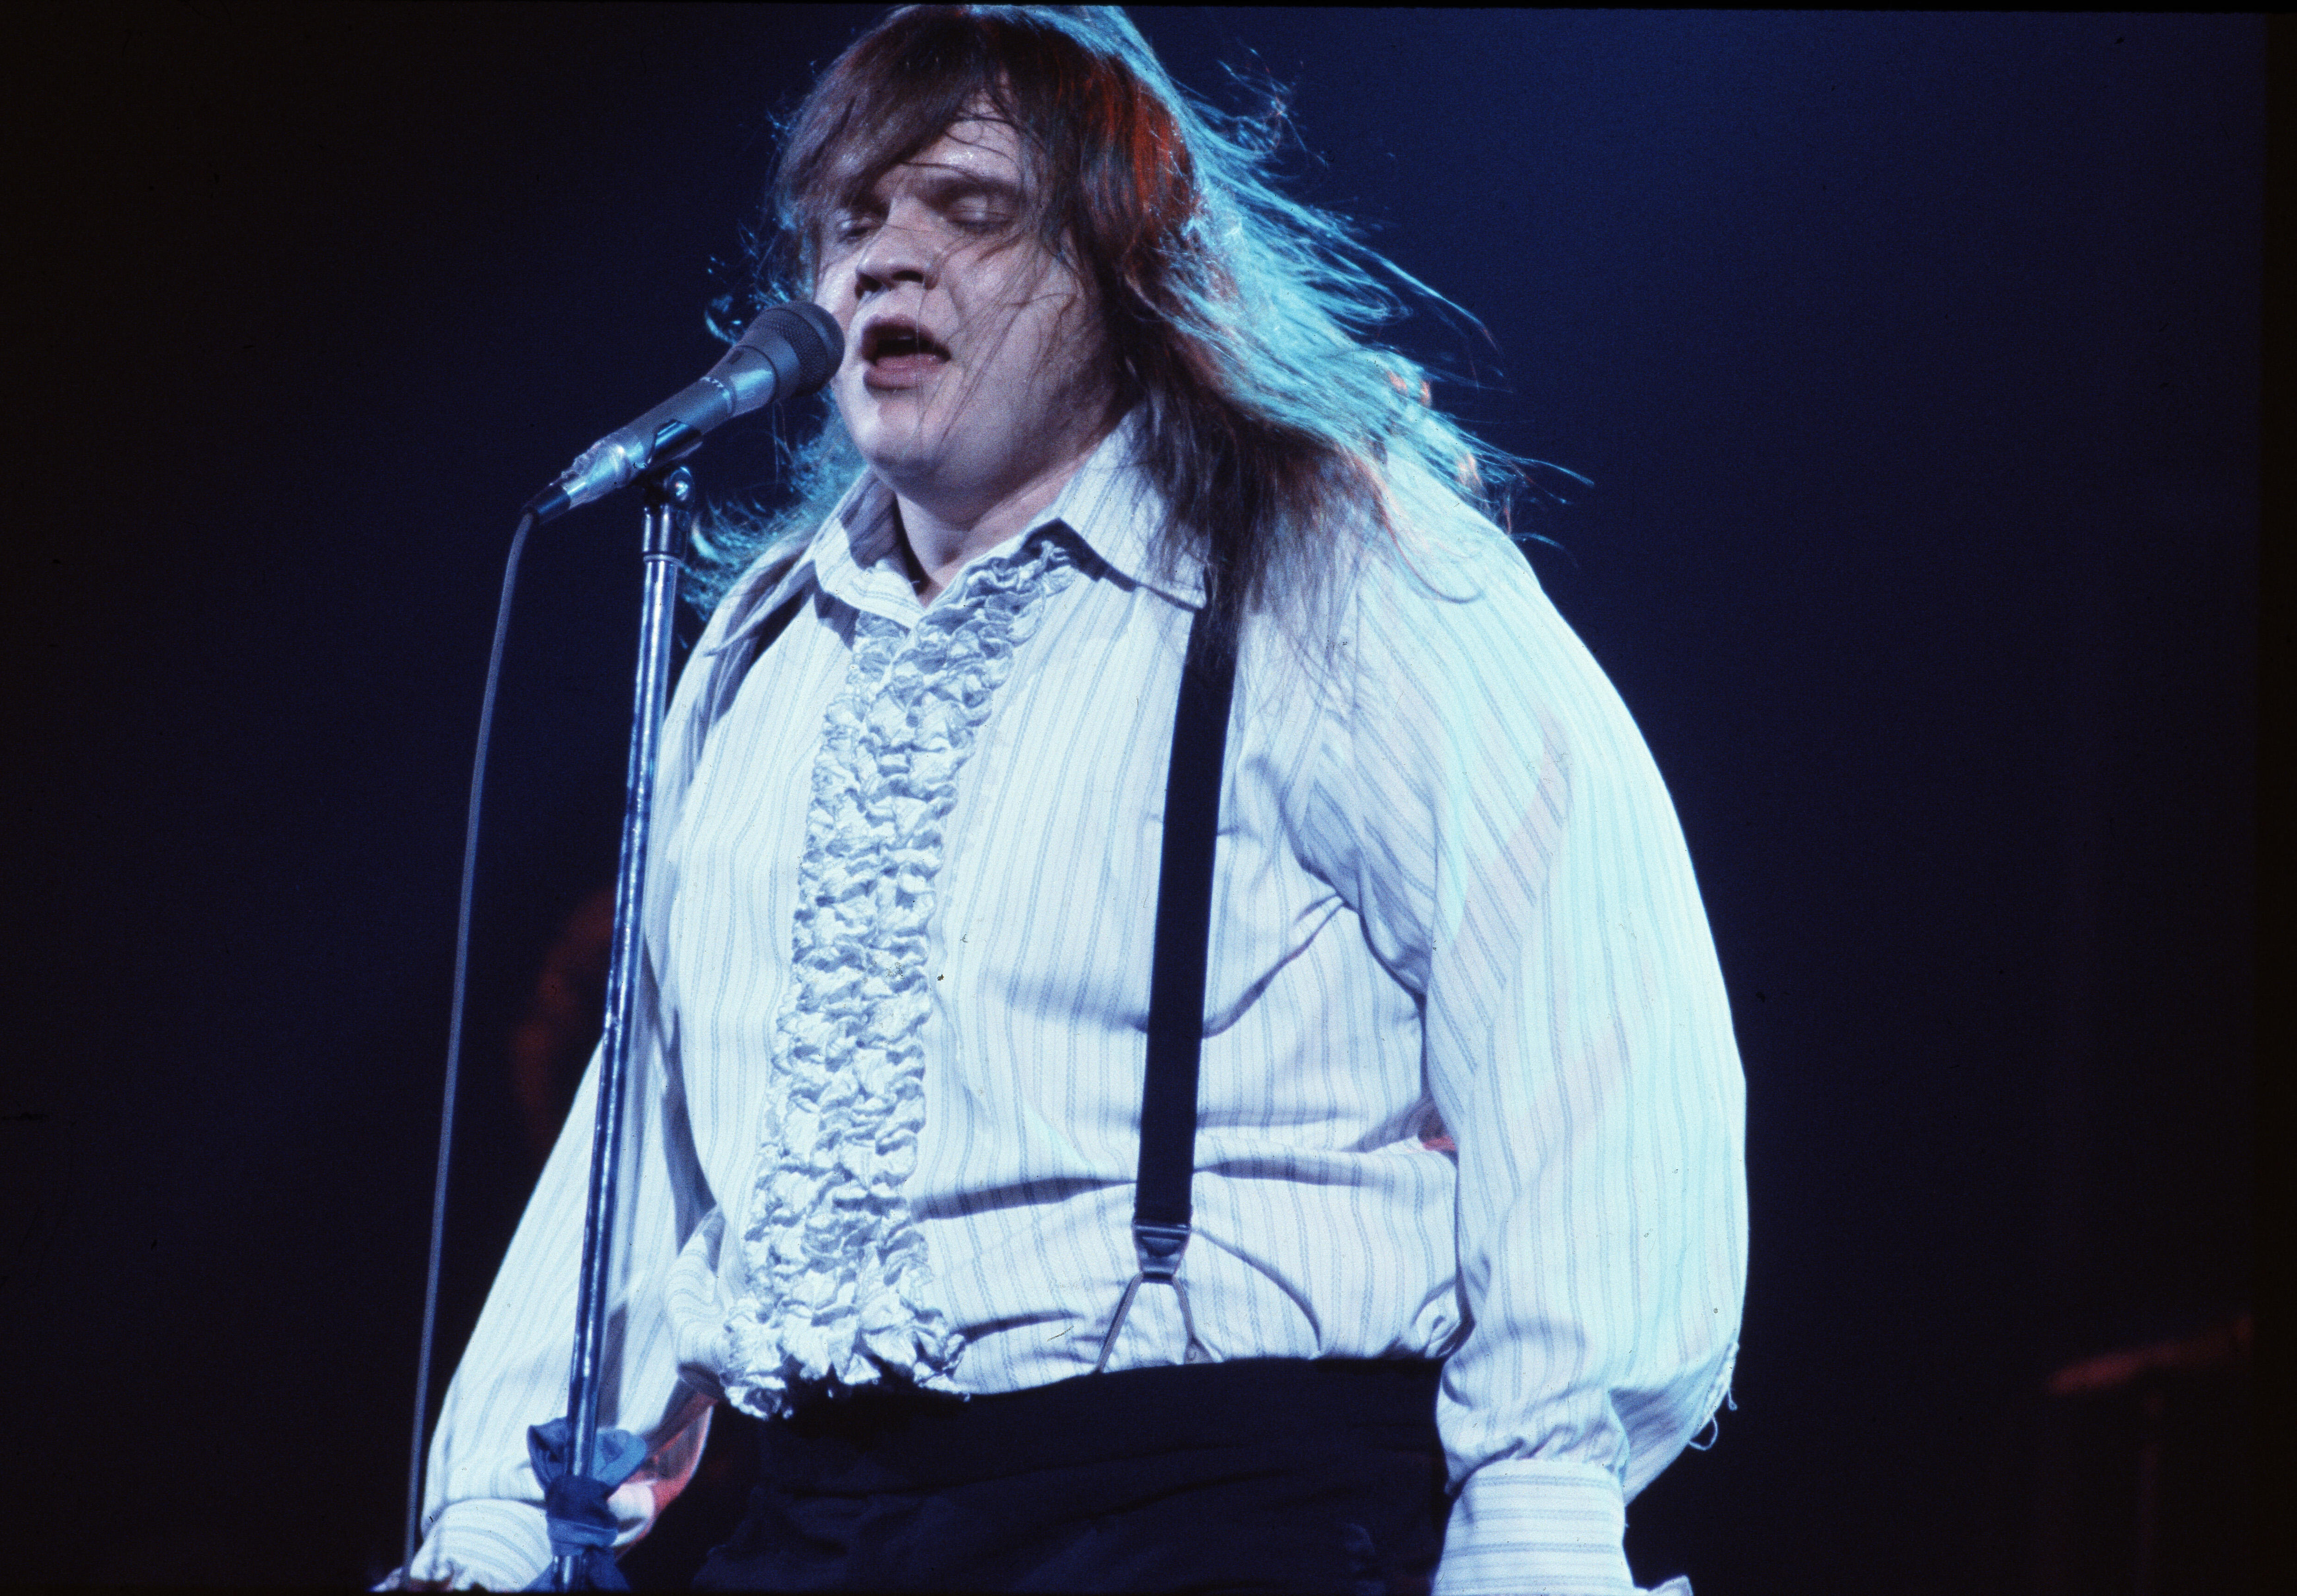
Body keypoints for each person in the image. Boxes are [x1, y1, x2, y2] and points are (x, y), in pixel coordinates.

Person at [401, 7, 1745, 1592]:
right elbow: (651, 1134)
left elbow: (1585, 1013)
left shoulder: (1333, 564)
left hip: (1219, 1509)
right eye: (850, 218)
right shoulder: (765, 649)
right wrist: (492, 1522)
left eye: (968, 208)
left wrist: (1537, 1520)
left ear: (1119, 264)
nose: (885, 260)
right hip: (825, 1519)